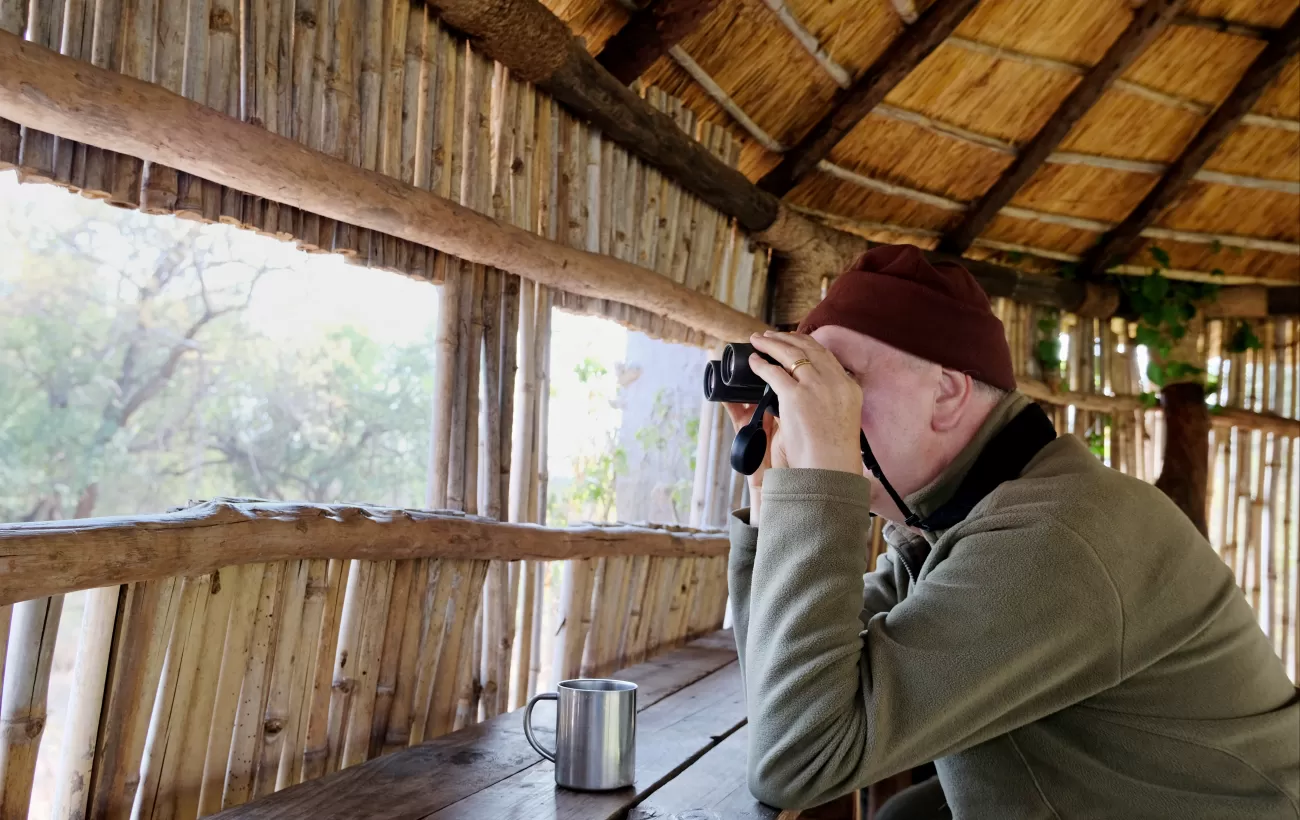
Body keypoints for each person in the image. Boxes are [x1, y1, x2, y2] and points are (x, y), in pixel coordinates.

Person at [724, 244, 1300, 819]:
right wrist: (773, 500)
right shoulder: (954, 519)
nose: (815, 407)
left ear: (946, 392)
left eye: (841, 379)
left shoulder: (1054, 536)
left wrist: (820, 487)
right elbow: (782, 701)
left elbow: (798, 761)